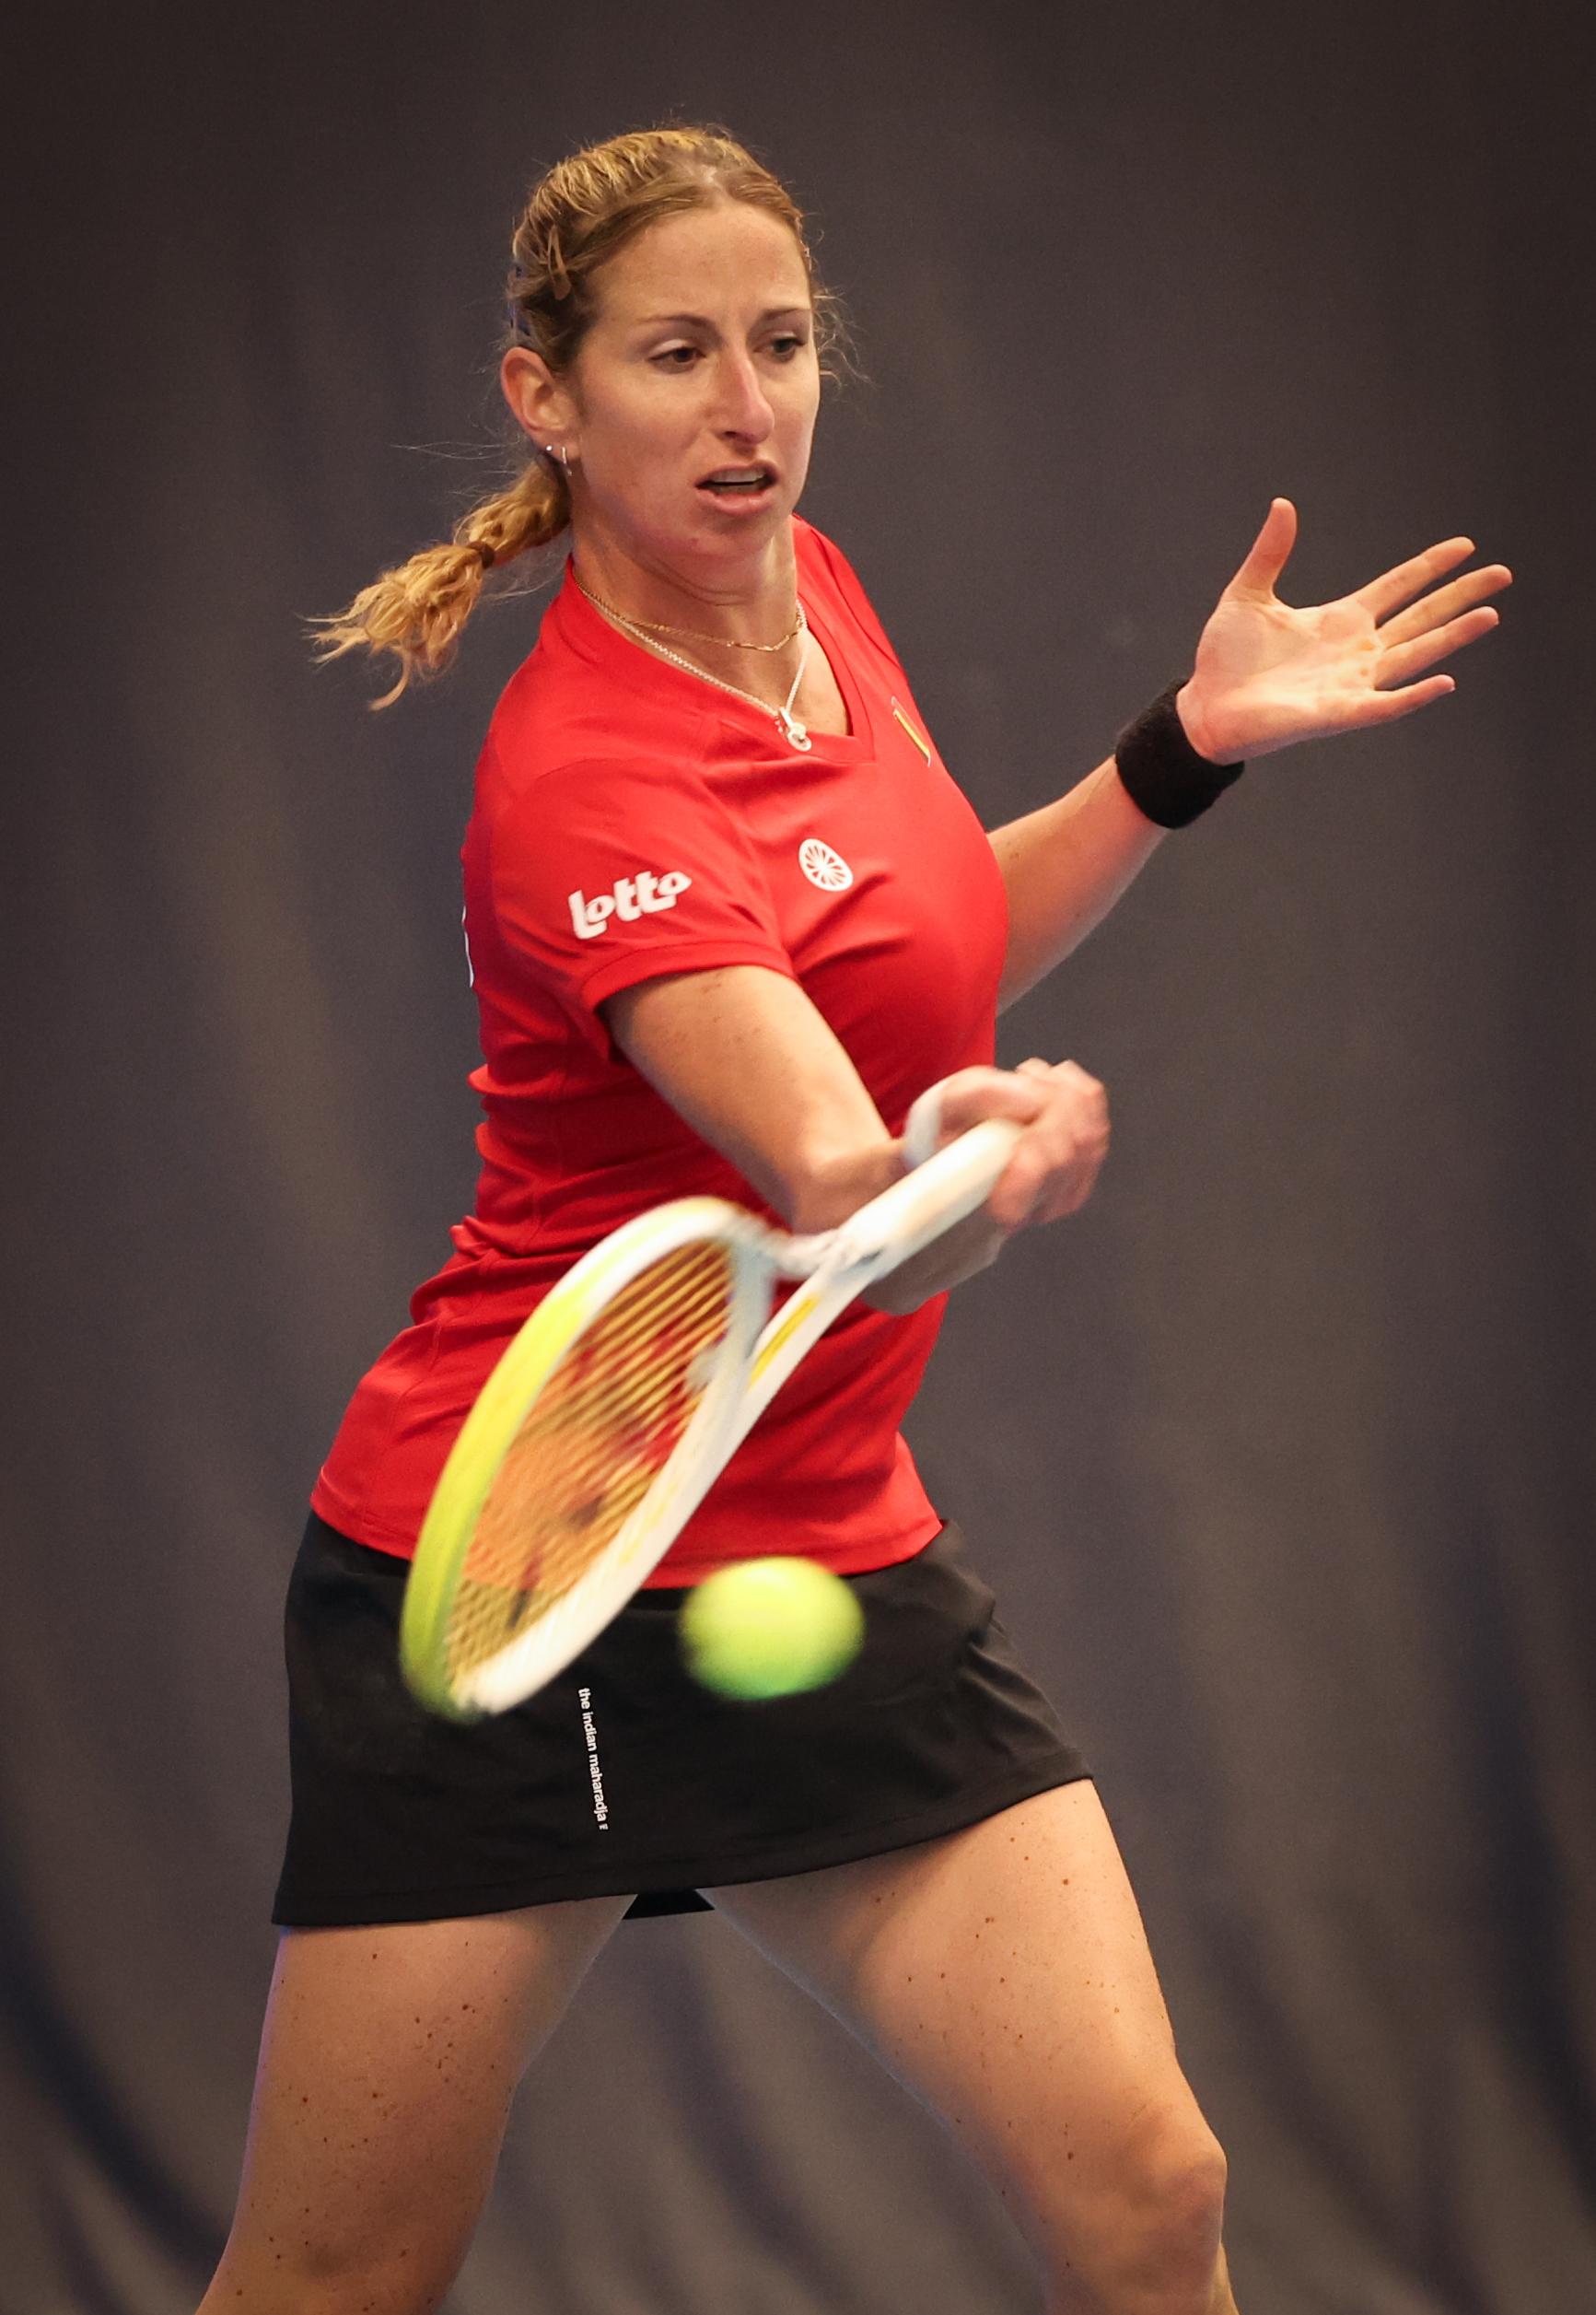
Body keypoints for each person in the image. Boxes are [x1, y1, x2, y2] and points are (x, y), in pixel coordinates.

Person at [199, 124, 1508, 2315]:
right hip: (531, 1571)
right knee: (338, 2279)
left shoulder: (812, 596)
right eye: (677, 355)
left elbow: (911, 948)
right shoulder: (584, 783)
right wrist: (953, 1166)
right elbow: (826, 1155)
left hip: (815, 1539)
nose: (748, 409)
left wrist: (1179, 749)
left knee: (1150, 2185)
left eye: (784, 346)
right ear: (547, 394)